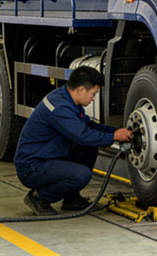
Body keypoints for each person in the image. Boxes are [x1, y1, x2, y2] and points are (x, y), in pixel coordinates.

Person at [14, 66, 133, 215]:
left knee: (88, 147)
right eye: (93, 93)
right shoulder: (60, 107)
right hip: (32, 167)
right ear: (81, 90)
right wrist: (114, 137)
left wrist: (114, 131)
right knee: (81, 175)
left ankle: (71, 198)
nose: (93, 98)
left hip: (47, 157)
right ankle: (39, 197)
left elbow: (88, 126)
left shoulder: (68, 100)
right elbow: (83, 135)